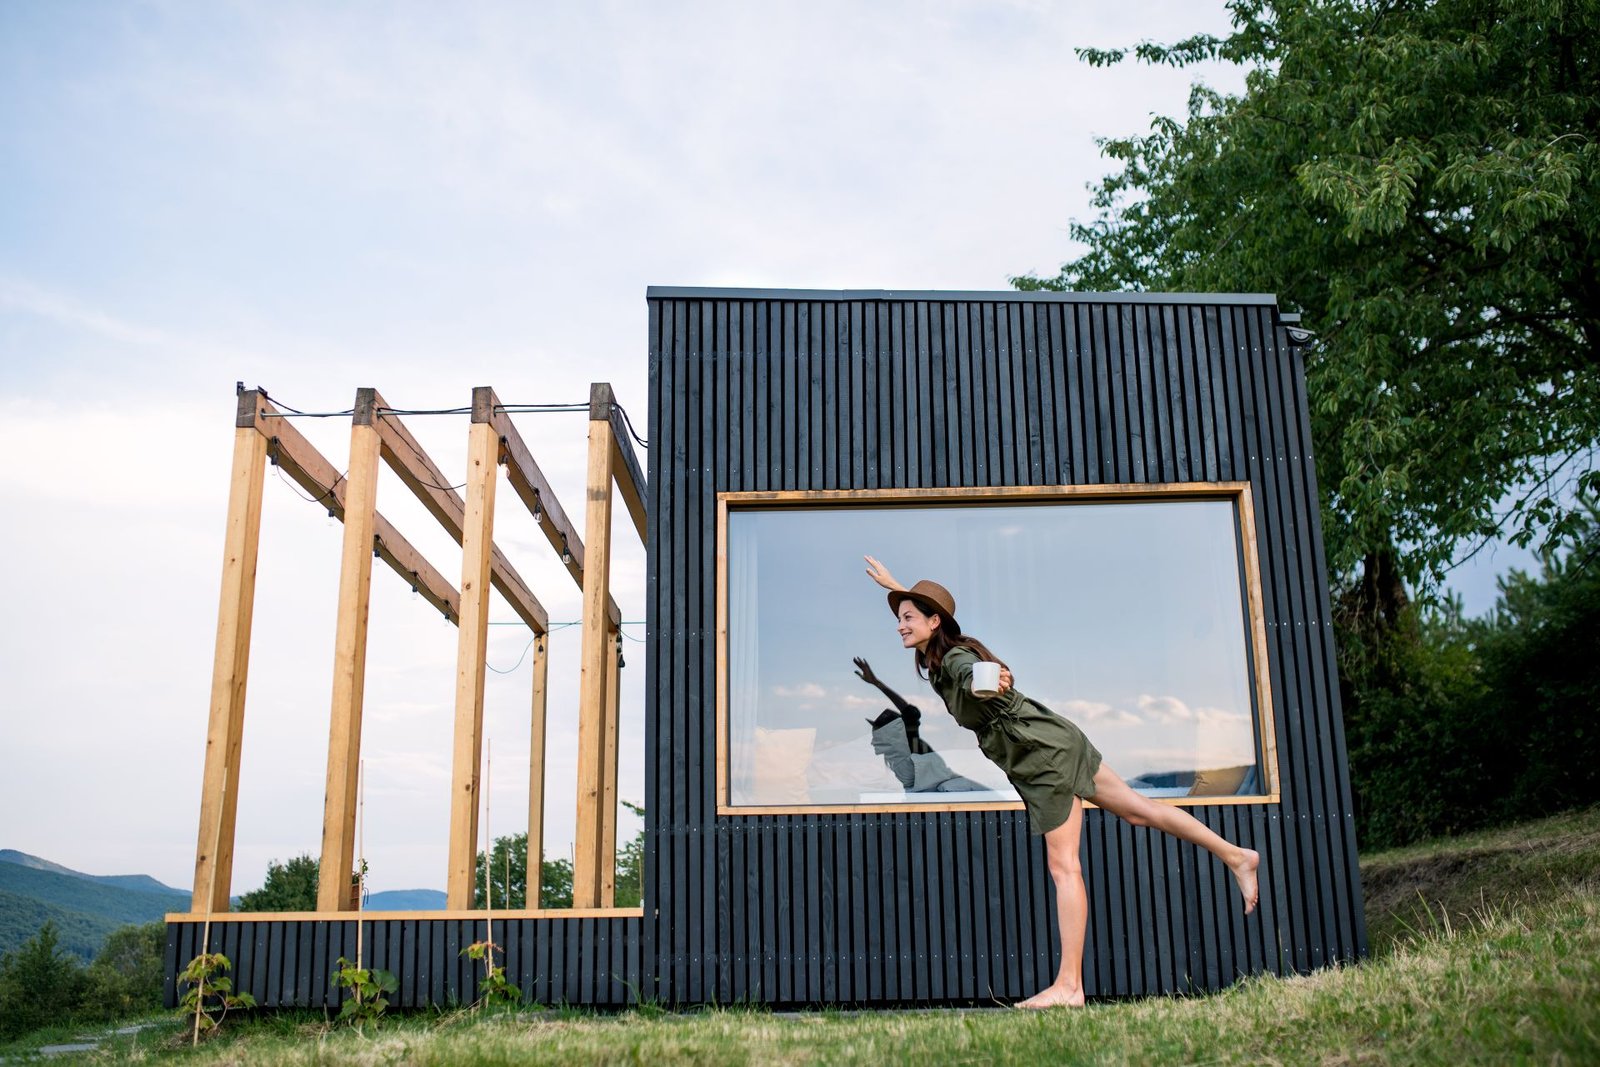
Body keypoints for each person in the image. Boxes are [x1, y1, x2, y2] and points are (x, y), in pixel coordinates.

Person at [864, 556, 1260, 1009]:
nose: (900, 625)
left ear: (935, 623)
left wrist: (991, 682)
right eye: (899, 618)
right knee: (1139, 811)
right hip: (1053, 740)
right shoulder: (937, 654)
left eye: (908, 618)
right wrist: (895, 587)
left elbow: (976, 675)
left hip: (1043, 756)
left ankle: (1070, 986)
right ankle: (1236, 855)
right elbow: (944, 639)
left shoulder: (954, 657)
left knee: (1064, 866)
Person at [852, 656, 985, 793]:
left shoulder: (906, 743)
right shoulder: (897, 754)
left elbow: (909, 711)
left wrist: (877, 683)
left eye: (877, 734)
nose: (874, 741)